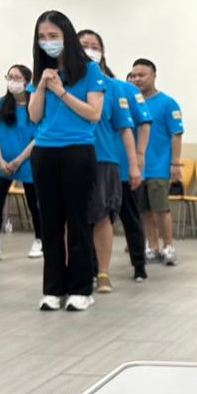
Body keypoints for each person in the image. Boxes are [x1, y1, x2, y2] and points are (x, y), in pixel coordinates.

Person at [28, 10, 105, 311]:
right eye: (42, 37)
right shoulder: (43, 72)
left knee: (77, 222)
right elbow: (34, 116)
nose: (47, 42)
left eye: (53, 36)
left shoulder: (90, 71)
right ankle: (53, 289)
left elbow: (93, 113)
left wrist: (61, 92)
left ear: (67, 37)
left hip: (77, 151)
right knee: (50, 223)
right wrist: (42, 86)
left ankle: (81, 289)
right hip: (44, 152)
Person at [77, 29, 142, 293]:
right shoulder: (63, 82)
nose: (89, 50)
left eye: (95, 46)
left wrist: (134, 165)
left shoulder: (113, 88)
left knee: (103, 217)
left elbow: (125, 129)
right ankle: (78, 272)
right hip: (70, 158)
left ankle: (103, 273)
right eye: (84, 45)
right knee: (73, 219)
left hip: (104, 159)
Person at [0, 64, 43, 262]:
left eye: (17, 77)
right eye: (9, 77)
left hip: (28, 161)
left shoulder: (36, 105)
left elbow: (38, 137)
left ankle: (40, 240)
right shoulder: (1, 104)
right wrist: (1, 159)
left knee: (34, 204)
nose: (12, 81)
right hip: (3, 164)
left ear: (27, 82)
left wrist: (18, 160)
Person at [130, 58, 183, 266]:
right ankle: (152, 246)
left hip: (159, 167)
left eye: (142, 75)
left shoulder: (168, 103)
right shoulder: (131, 102)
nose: (137, 79)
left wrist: (175, 164)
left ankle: (168, 246)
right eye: (134, 75)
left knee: (161, 209)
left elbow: (176, 134)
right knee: (144, 210)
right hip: (137, 168)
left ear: (153, 76)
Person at [117, 72, 152, 281]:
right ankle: (94, 269)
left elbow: (145, 123)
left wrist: (139, 155)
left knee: (131, 218)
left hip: (125, 168)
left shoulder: (125, 90)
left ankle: (139, 265)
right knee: (94, 221)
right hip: (94, 166)